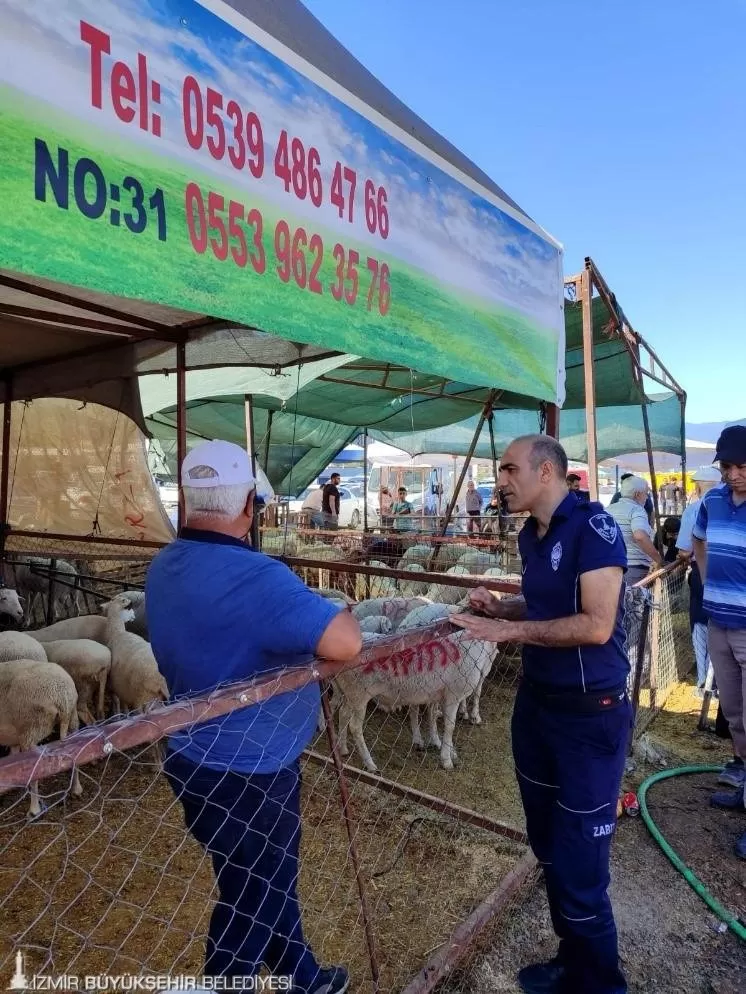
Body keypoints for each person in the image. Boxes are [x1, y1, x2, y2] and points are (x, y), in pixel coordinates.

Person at [146, 439, 361, 993]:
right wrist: (337, 609)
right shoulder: (257, 576)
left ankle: (302, 975)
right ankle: (226, 983)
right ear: (248, 505)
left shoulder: (167, 563)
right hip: (251, 769)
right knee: (256, 894)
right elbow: (345, 642)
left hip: (193, 757)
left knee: (258, 879)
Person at [452, 433, 630, 994]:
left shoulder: (595, 528)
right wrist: (504, 606)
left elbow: (596, 624)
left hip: (588, 716)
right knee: (548, 843)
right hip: (538, 706)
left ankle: (602, 983)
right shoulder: (533, 534)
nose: (500, 480)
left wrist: (508, 631)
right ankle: (573, 962)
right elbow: (550, 605)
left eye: (508, 469)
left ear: (547, 471)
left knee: (579, 864)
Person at [692, 425, 746, 860]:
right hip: (719, 623)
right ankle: (743, 785)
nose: (735, 475)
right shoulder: (711, 500)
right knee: (735, 713)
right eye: (729, 467)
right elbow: (698, 540)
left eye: (742, 466)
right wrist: (709, 585)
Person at [676, 467, 722, 697]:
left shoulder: (694, 510)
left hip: (702, 571)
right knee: (723, 627)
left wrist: (683, 558)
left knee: (700, 625)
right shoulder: (732, 507)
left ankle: (704, 680)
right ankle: (720, 682)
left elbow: (685, 549)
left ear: (698, 485)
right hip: (731, 573)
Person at [606, 475, 663, 584]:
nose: (646, 497)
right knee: (632, 599)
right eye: (646, 493)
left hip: (609, 565)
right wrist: (658, 559)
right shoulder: (637, 510)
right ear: (637, 494)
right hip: (633, 567)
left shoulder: (607, 509)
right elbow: (640, 536)